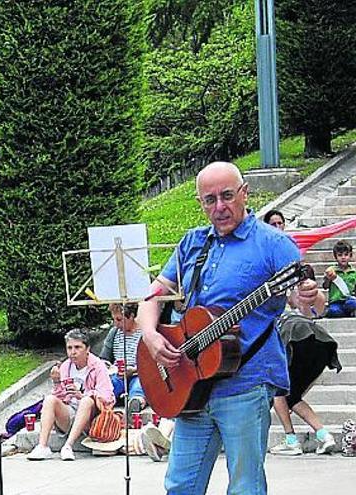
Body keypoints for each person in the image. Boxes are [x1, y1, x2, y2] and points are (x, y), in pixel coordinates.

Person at [137, 162, 320, 494]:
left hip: (246, 382)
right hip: (192, 385)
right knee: (180, 485)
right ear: (200, 203)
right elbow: (152, 296)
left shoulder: (273, 243)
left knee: (244, 486)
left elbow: (305, 300)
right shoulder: (192, 243)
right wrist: (150, 334)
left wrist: (309, 295)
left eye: (226, 196)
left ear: (245, 193)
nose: (219, 207)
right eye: (209, 200)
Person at [263, 211, 341, 456]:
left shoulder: (296, 265)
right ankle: (324, 435)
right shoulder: (262, 263)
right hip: (307, 339)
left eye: (281, 223)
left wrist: (312, 293)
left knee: (279, 389)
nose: (278, 227)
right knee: (290, 394)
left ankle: (290, 440)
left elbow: (313, 306)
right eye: (273, 225)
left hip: (299, 334)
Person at [25, 329, 115, 461]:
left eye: (78, 347)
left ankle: (68, 446)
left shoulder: (98, 366)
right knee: (50, 399)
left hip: (92, 418)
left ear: (87, 348)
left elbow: (107, 397)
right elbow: (60, 396)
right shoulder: (66, 366)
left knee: (86, 401)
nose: (73, 352)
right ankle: (42, 446)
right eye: (69, 348)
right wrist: (56, 382)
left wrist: (83, 395)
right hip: (70, 413)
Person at [99, 303, 146, 413]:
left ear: (131, 316)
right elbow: (104, 358)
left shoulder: (144, 333)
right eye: (114, 320)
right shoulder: (114, 332)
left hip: (138, 373)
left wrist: (134, 370)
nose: (116, 324)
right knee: (111, 384)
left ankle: (135, 403)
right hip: (118, 374)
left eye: (119, 320)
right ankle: (105, 402)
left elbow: (152, 362)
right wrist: (107, 366)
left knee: (139, 385)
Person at [322, 239, 356, 317]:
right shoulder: (332, 270)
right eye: (340, 255)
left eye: (346, 255)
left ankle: (349, 311)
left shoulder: (353, 272)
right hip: (335, 301)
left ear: (350, 255)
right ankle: (347, 313)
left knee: (352, 304)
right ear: (336, 257)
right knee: (334, 311)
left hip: (349, 300)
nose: (343, 257)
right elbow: (325, 286)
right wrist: (328, 278)